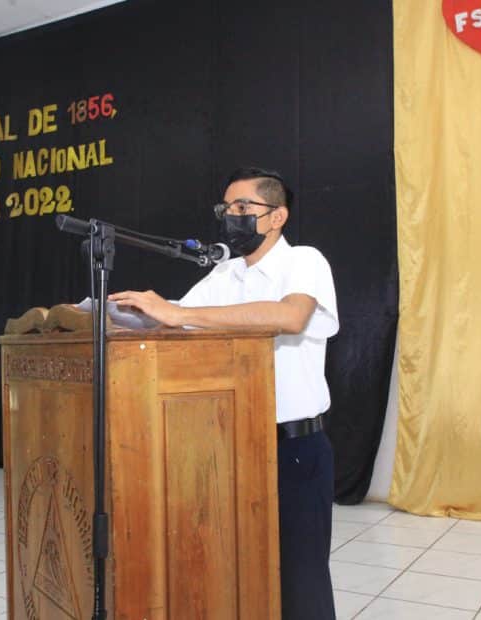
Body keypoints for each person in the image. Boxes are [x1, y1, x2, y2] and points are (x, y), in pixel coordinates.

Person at [109, 167, 339, 620]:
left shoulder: (304, 261)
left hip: (292, 449)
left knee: (299, 579)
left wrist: (177, 315)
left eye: (243, 207)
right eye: (226, 208)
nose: (231, 216)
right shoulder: (224, 273)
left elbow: (289, 317)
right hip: (227, 446)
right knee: (236, 571)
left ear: (277, 216)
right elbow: (175, 321)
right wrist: (119, 313)